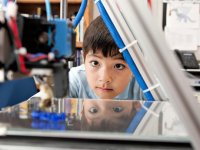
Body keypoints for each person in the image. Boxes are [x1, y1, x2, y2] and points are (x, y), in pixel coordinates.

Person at [69, 16, 145, 100]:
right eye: (95, 63)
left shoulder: (144, 86)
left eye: (118, 66)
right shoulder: (75, 80)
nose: (104, 78)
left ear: (134, 67)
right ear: (84, 59)